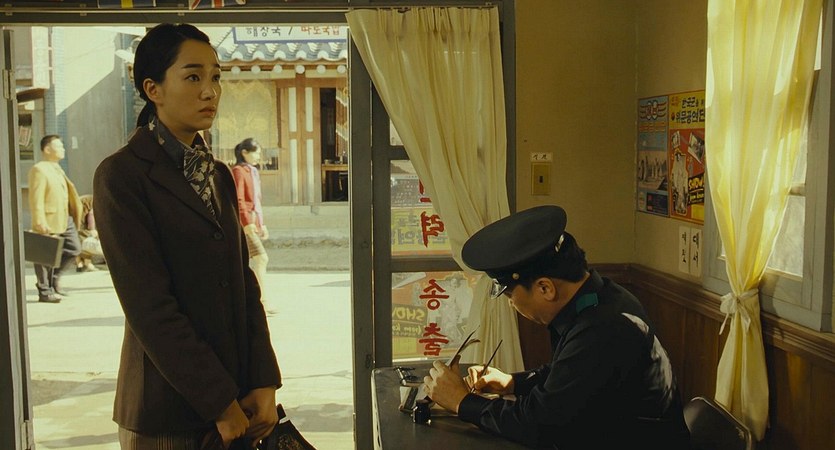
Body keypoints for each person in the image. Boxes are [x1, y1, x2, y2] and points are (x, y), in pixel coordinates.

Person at [93, 23, 281, 448]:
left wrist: (264, 380)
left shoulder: (217, 174)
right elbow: (150, 307)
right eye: (193, 77)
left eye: (215, 76)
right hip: (167, 411)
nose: (210, 91)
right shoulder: (122, 176)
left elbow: (244, 283)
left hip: (239, 397)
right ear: (153, 89)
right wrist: (219, 403)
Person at [423, 205, 690, 449]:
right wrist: (513, 382)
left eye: (510, 295)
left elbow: (541, 424)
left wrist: (461, 401)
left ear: (545, 288)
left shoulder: (602, 329)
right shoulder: (603, 297)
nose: (511, 304)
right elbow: (569, 374)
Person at [28, 134, 82, 303]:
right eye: (59, 146)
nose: (63, 149)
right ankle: (45, 291)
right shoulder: (39, 169)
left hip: (64, 218)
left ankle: (54, 279)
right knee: (43, 256)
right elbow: (36, 198)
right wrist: (39, 220)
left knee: (74, 248)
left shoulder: (57, 168)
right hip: (48, 219)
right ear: (47, 149)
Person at [231, 138, 275, 313]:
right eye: (256, 153)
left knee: (256, 260)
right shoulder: (239, 171)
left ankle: (257, 300)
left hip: (253, 220)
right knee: (261, 258)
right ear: (244, 153)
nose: (258, 156)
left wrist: (261, 224)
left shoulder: (252, 171)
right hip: (245, 222)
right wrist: (246, 222)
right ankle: (261, 300)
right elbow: (239, 199)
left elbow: (256, 200)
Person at [76, 194, 101, 272]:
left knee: (79, 240)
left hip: (75, 216)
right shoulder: (97, 201)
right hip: (81, 216)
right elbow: (91, 214)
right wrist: (92, 229)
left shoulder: (90, 198)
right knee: (86, 240)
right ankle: (87, 264)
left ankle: (80, 264)